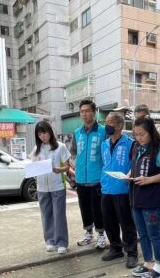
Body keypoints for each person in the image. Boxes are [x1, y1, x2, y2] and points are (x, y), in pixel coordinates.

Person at [129, 116, 160, 278]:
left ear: (151, 132)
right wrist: (128, 175)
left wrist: (149, 180)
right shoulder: (136, 147)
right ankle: (148, 263)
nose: (138, 138)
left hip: (152, 199)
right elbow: (134, 167)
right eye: (136, 135)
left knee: (153, 234)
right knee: (142, 233)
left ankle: (159, 266)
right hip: (136, 197)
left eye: (142, 134)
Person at [100, 111, 138, 268]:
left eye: (110, 122)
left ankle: (132, 253)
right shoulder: (104, 144)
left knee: (127, 223)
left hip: (122, 190)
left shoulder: (130, 144)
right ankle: (115, 248)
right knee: (109, 222)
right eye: (106, 122)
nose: (106, 126)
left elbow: (135, 165)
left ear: (120, 126)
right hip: (106, 189)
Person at [70, 100, 107, 249]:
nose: (84, 114)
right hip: (80, 179)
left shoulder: (103, 131)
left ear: (94, 112)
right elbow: (73, 152)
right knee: (84, 208)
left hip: (97, 178)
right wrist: (75, 166)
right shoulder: (77, 132)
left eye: (87, 111)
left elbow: (107, 153)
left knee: (98, 209)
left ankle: (101, 236)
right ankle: (88, 234)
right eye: (82, 111)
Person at [31, 120, 70, 254]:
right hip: (42, 188)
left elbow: (67, 166)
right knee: (46, 215)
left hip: (58, 186)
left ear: (50, 132)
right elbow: (33, 167)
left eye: (45, 133)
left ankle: (62, 242)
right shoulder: (36, 150)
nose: (43, 136)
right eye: (40, 134)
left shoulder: (60, 147)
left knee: (59, 215)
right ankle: (50, 241)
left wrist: (60, 169)